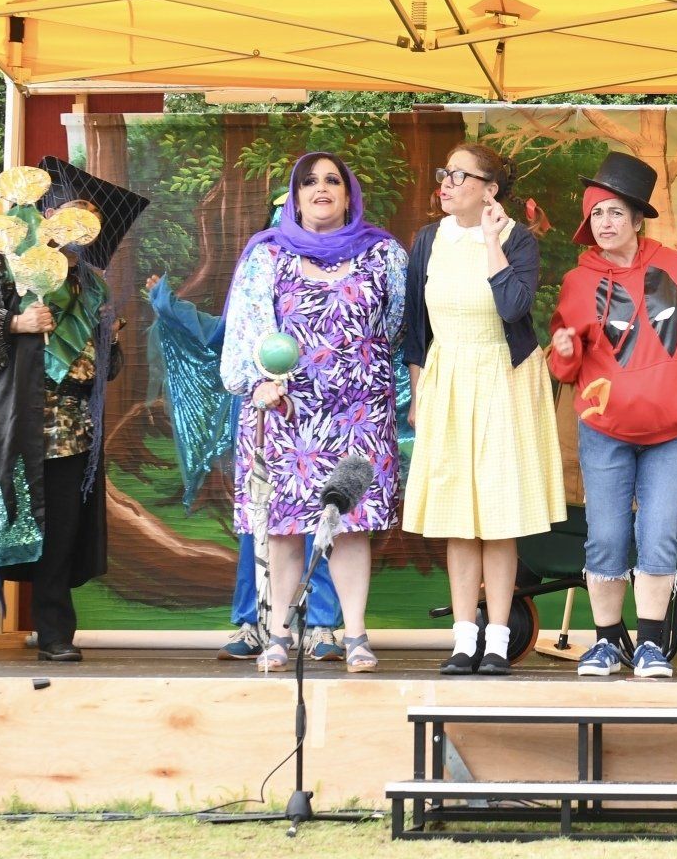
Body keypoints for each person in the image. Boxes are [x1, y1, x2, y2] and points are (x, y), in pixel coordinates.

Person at [547, 152, 677, 680]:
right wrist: (563, 347)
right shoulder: (577, 282)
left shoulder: (676, 269)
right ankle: (607, 643)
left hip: (672, 429)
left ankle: (651, 645)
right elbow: (566, 366)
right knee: (606, 536)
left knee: (658, 535)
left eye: (613, 213)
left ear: (637, 219)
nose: (604, 224)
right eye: (596, 215)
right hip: (604, 428)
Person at [223, 152, 407, 674]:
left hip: (359, 412)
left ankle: (354, 635)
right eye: (309, 182)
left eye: (332, 180)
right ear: (295, 197)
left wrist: (352, 364)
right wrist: (261, 382)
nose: (321, 188)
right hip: (285, 410)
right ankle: (278, 634)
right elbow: (246, 331)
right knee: (282, 525)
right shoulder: (267, 255)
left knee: (350, 525)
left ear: (349, 195)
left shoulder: (383, 254)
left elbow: (395, 326)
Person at [404, 142, 565, 677]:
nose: (446, 182)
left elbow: (513, 307)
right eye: (444, 171)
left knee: (498, 517)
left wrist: (493, 240)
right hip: (448, 377)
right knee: (457, 517)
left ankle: (498, 641)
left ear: (490, 189)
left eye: (459, 175)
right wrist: (419, 393)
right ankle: (463, 639)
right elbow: (415, 327)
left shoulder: (518, 240)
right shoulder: (428, 240)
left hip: (503, 376)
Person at [142, 272, 344, 663]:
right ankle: (252, 624)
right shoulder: (250, 307)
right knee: (259, 526)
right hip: (262, 430)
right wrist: (165, 302)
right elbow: (212, 332)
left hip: (316, 428)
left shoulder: (326, 308)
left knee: (317, 522)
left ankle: (321, 626)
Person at [0, 194, 124, 663]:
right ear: (48, 219)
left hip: (71, 427)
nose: (77, 232)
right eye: (71, 219)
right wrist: (17, 322)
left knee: (62, 536)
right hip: (10, 424)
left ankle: (54, 634)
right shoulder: (4, 266)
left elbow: (105, 370)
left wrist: (109, 340)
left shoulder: (93, 287)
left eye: (88, 226)